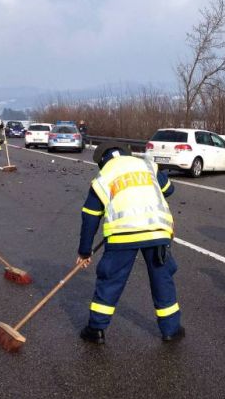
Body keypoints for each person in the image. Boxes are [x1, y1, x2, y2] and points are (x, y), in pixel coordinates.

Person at [75, 141, 182, 344]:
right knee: (162, 279)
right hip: (157, 231)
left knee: (110, 281)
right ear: (126, 153)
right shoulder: (146, 164)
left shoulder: (103, 176)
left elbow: (90, 215)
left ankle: (96, 329)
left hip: (123, 235)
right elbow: (169, 189)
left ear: (102, 161)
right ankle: (171, 330)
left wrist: (85, 251)